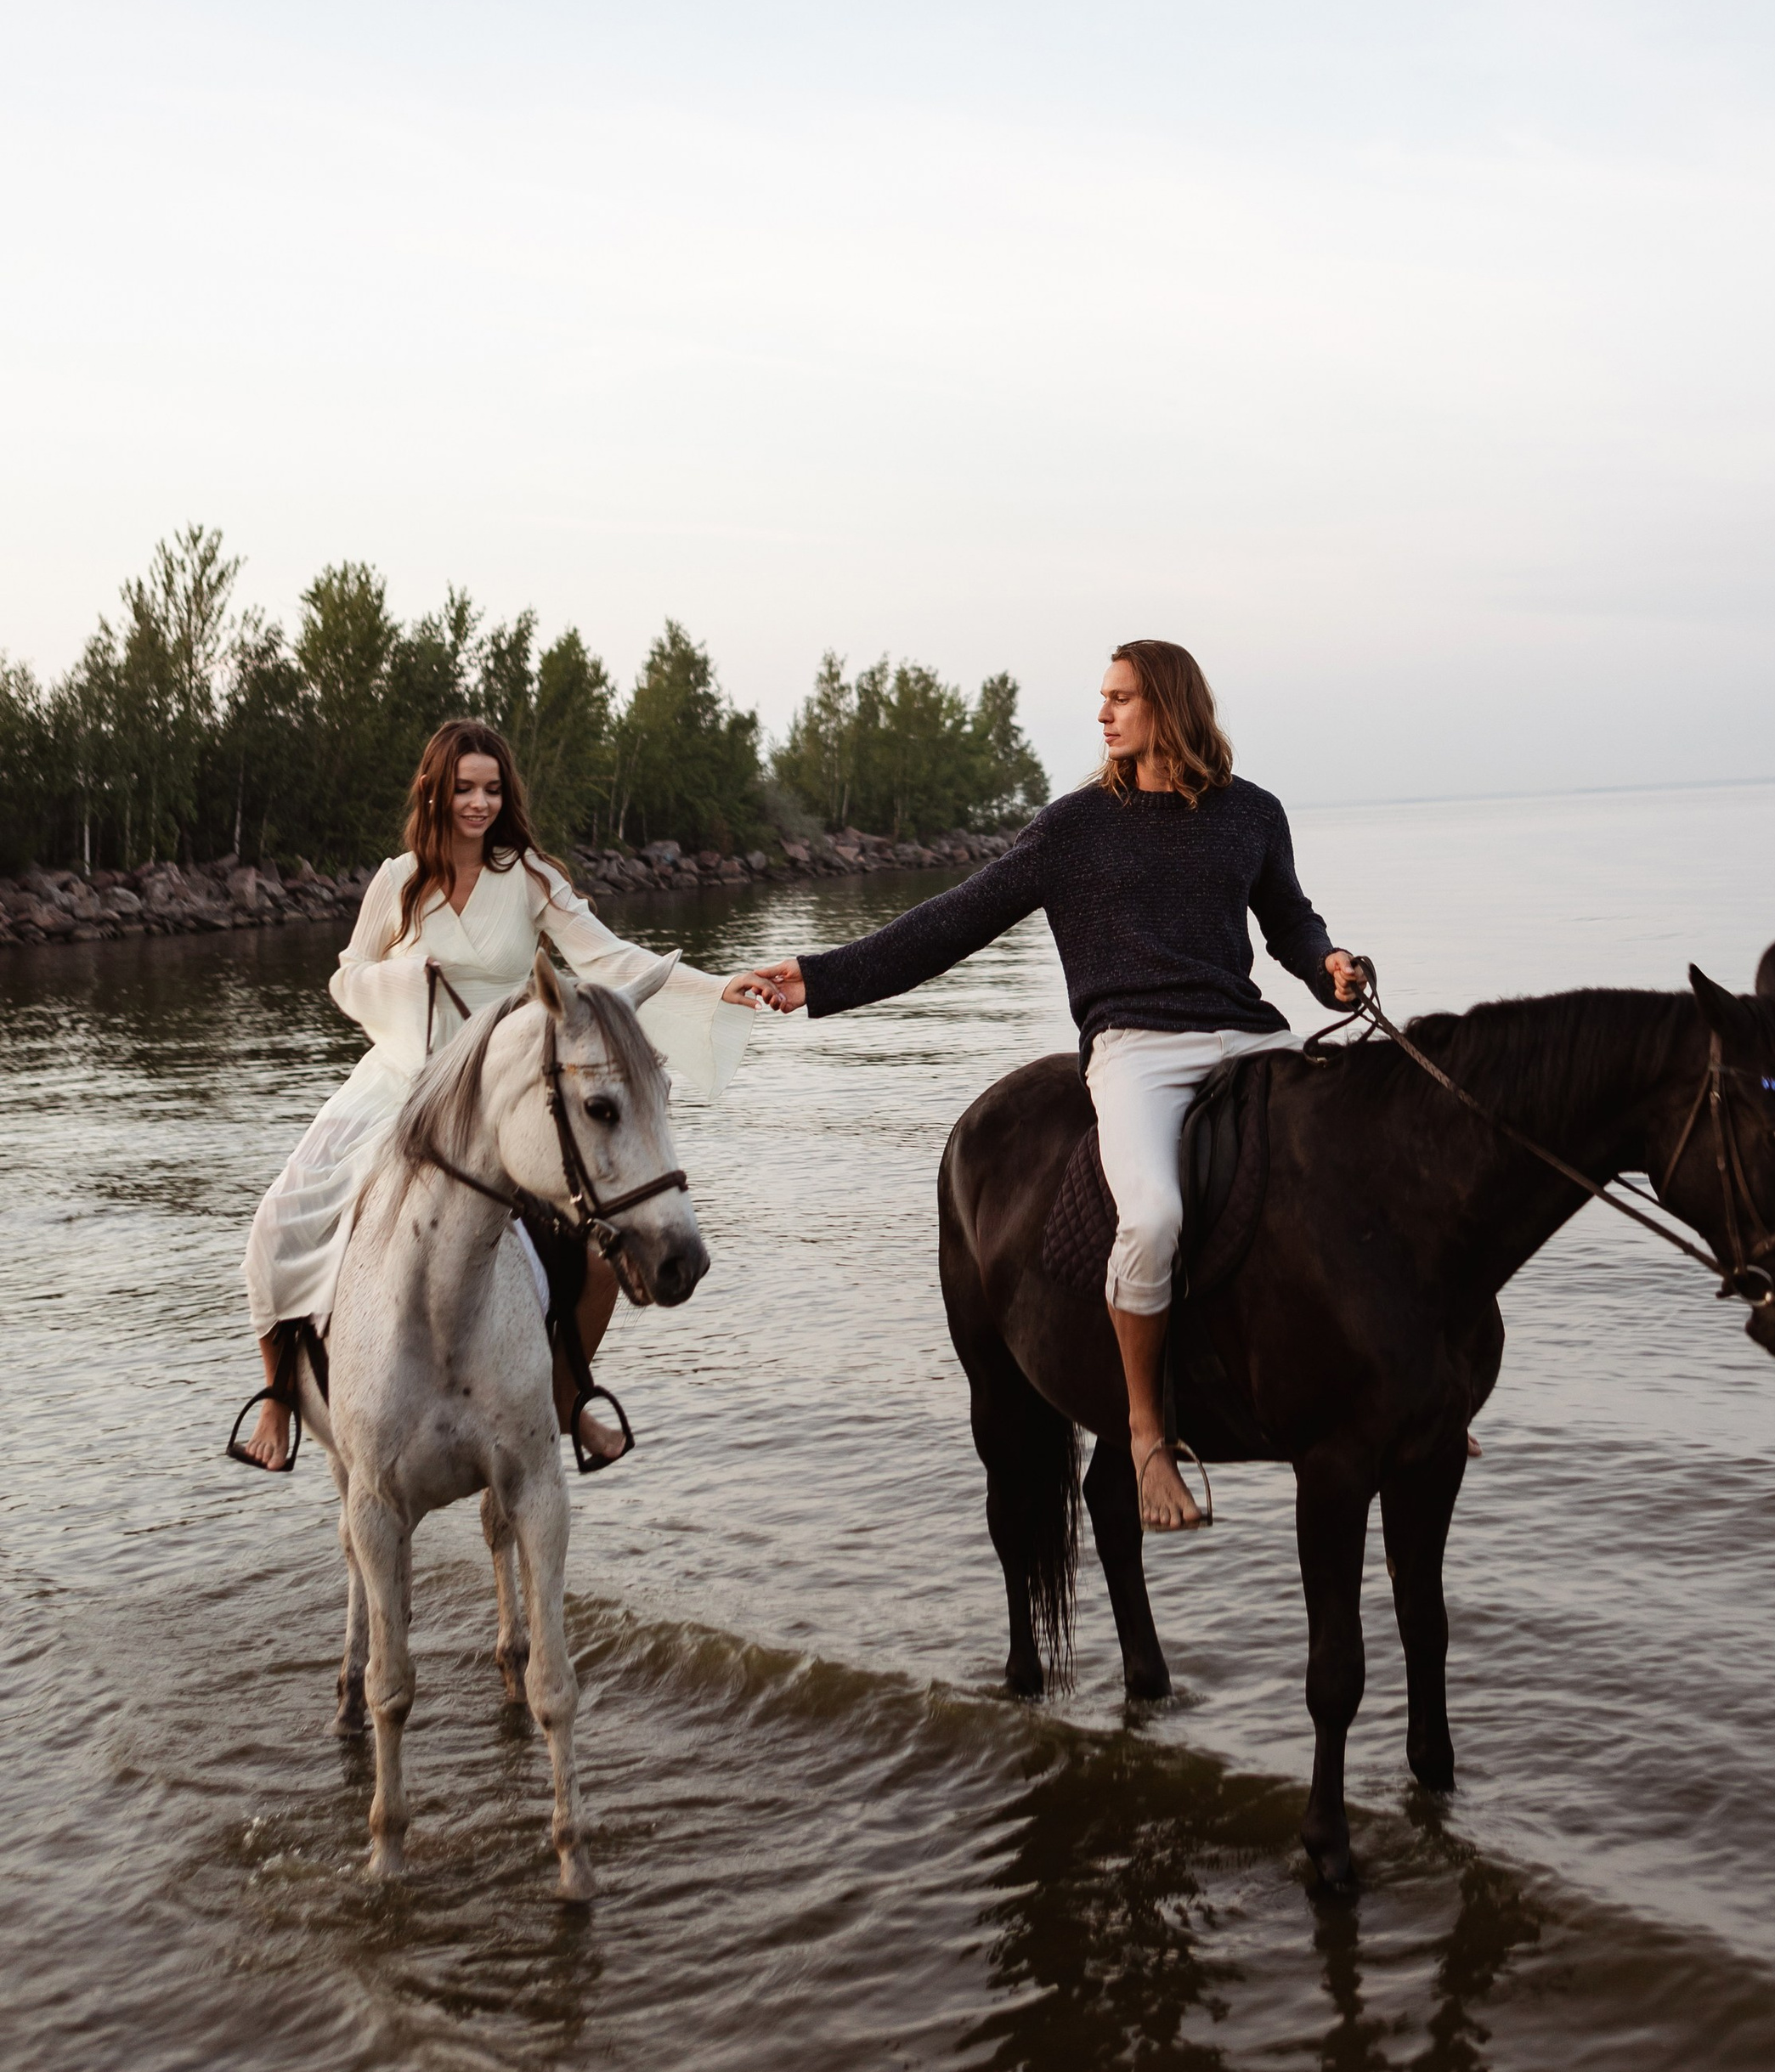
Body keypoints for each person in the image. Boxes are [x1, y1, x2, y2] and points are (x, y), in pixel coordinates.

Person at [740, 641, 1363, 1532]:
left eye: (1119, 698)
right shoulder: (1073, 828)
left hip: (1246, 1035)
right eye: (1101, 699)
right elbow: (950, 920)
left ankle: (1386, 1381)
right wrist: (821, 976)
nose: (1103, 714)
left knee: (1350, 1166)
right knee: (1149, 1217)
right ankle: (1149, 1437)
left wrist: (1329, 967)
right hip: (1136, 1050)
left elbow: (1290, 923)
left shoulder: (1250, 813)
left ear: (1169, 706)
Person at [232, 720, 763, 1472]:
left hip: (500, 1086)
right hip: (401, 1081)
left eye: (491, 789)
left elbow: (608, 956)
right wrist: (402, 984)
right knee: (276, 1222)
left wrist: (716, 989)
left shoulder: (530, 878)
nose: (478, 803)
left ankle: (569, 1399)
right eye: (463, 789)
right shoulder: (399, 879)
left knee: (602, 1252)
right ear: (436, 791)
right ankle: (281, 1393)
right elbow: (346, 975)